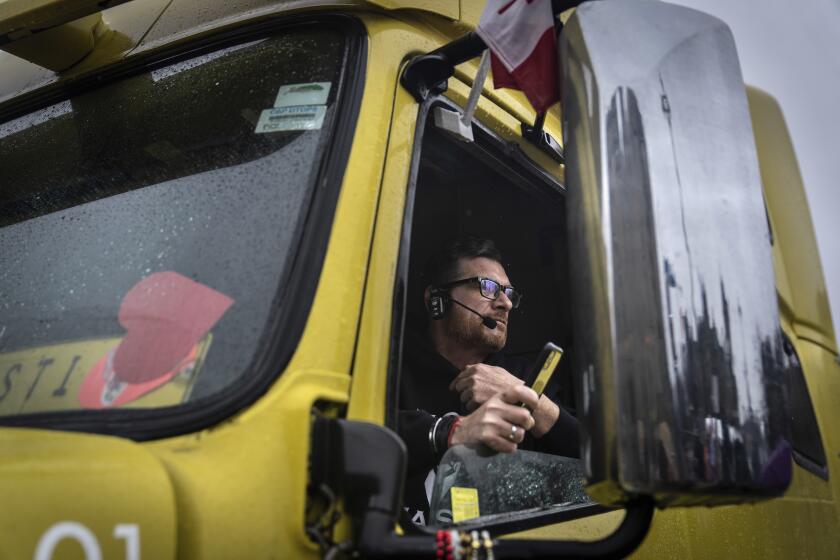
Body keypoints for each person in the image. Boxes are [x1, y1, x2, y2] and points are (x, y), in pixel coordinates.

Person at [398, 236, 579, 526]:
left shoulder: (523, 375)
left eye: (508, 292)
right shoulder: (391, 366)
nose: (506, 303)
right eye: (488, 287)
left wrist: (525, 396)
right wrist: (450, 431)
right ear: (437, 299)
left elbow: (593, 456)